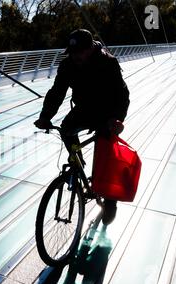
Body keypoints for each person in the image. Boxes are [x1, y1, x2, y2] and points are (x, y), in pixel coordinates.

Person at [34, 29, 130, 225]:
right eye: (72, 52)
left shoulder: (108, 63)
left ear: (90, 49)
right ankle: (79, 167)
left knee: (106, 152)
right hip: (84, 109)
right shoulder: (68, 64)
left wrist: (117, 119)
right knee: (66, 128)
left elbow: (122, 94)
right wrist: (45, 117)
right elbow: (57, 93)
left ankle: (110, 201)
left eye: (79, 52)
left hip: (107, 112)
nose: (75, 56)